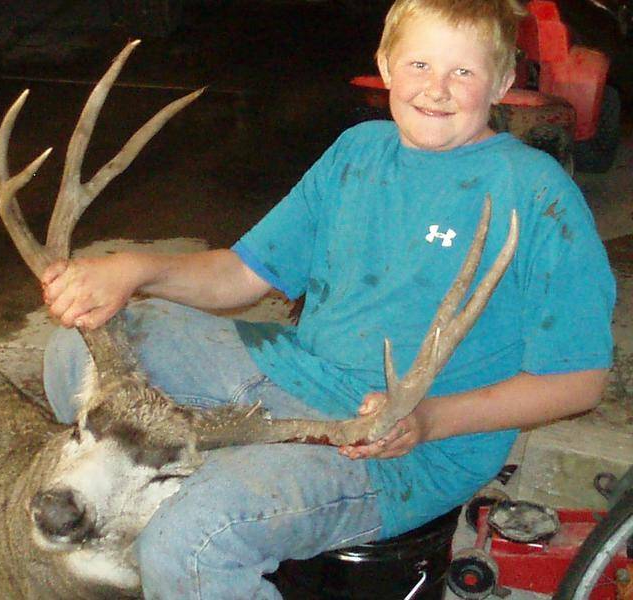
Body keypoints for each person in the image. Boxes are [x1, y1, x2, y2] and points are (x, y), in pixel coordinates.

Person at [40, 0, 616, 597]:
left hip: (405, 443)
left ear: (501, 81)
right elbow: (240, 275)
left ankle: (194, 550)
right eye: (418, 64)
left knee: (196, 539)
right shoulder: (359, 152)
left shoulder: (537, 194)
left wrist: (427, 418)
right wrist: (133, 271)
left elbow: (579, 381)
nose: (436, 90)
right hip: (294, 367)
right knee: (78, 348)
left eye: (463, 73)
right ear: (386, 66)